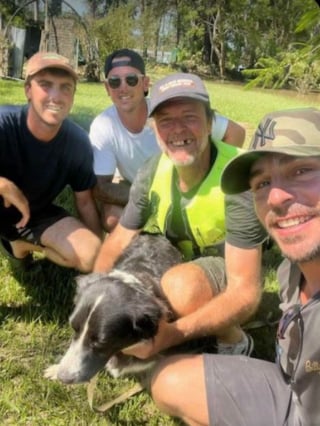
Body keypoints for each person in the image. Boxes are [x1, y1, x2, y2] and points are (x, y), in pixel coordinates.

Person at [150, 107, 320, 426]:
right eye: (262, 183)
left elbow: (243, 292)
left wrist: (171, 335)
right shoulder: (293, 267)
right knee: (169, 381)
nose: (276, 197)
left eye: (301, 171)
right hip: (295, 392)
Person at [94, 72, 267, 358]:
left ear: (210, 123)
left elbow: (246, 291)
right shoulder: (152, 170)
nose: (177, 130)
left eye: (189, 117)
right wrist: (97, 298)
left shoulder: (238, 176)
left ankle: (234, 340)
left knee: (180, 287)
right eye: (165, 121)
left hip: (231, 269)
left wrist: (172, 336)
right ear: (154, 130)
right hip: (181, 260)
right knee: (132, 272)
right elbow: (118, 241)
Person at [89, 48, 246, 232]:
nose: (123, 87)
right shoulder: (103, 125)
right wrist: (150, 199)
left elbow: (236, 133)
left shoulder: (168, 108)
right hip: (144, 192)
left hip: (191, 188)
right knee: (111, 218)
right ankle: (153, 247)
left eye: (131, 79)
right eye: (115, 82)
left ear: (145, 83)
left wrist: (213, 178)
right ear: (107, 88)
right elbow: (101, 187)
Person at [0, 51, 102, 273]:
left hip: (34, 215)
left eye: (66, 87)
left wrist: (100, 262)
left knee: (91, 254)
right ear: (28, 90)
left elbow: (84, 202)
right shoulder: (3, 123)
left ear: (73, 95)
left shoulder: (78, 142)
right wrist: (3, 185)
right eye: (45, 84)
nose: (56, 96)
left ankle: (19, 244)